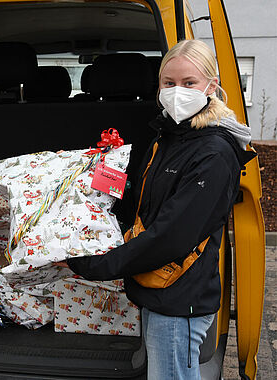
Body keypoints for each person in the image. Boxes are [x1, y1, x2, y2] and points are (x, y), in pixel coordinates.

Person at [60, 40, 256, 379]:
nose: (177, 91)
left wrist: (94, 264)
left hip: (180, 299)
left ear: (211, 85)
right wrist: (101, 184)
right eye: (169, 83)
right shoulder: (168, 136)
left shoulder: (213, 152)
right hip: (160, 290)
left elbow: (169, 236)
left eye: (189, 83)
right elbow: (146, 206)